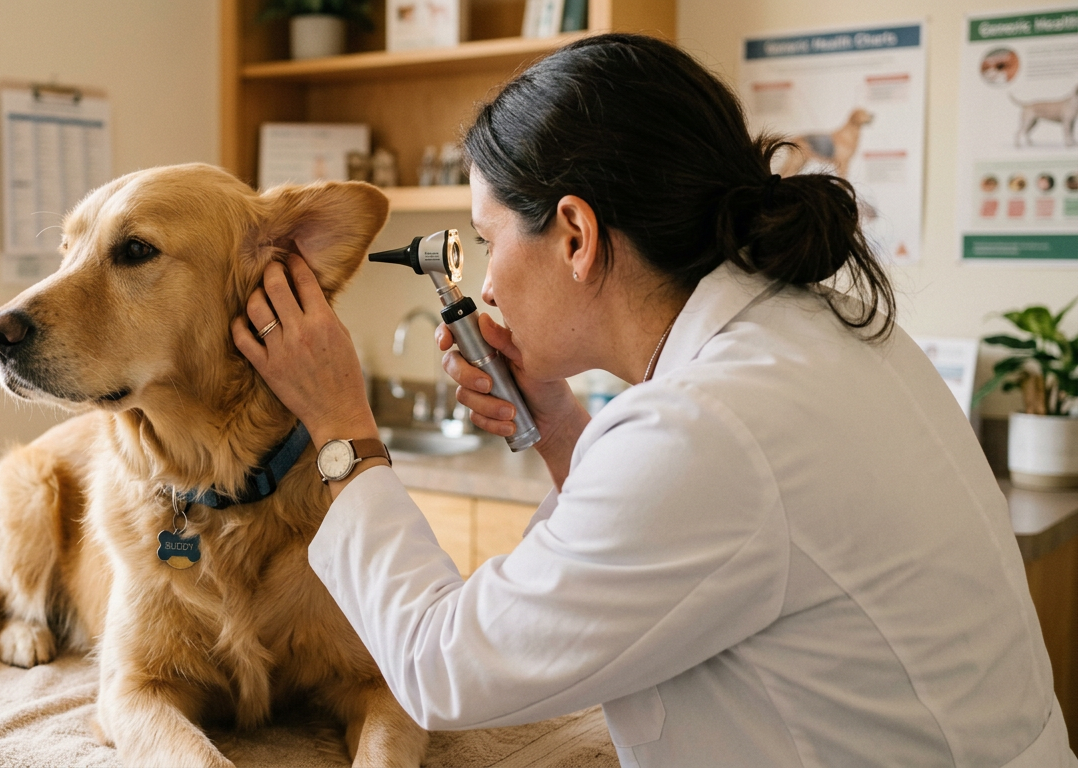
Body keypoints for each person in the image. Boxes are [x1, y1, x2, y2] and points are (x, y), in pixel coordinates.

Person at [231, 34, 1073, 767]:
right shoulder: (822, 330)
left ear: (575, 234)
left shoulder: (709, 430)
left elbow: (443, 672)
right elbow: (668, 554)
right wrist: (560, 425)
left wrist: (340, 426)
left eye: (489, 240)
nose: (485, 282)